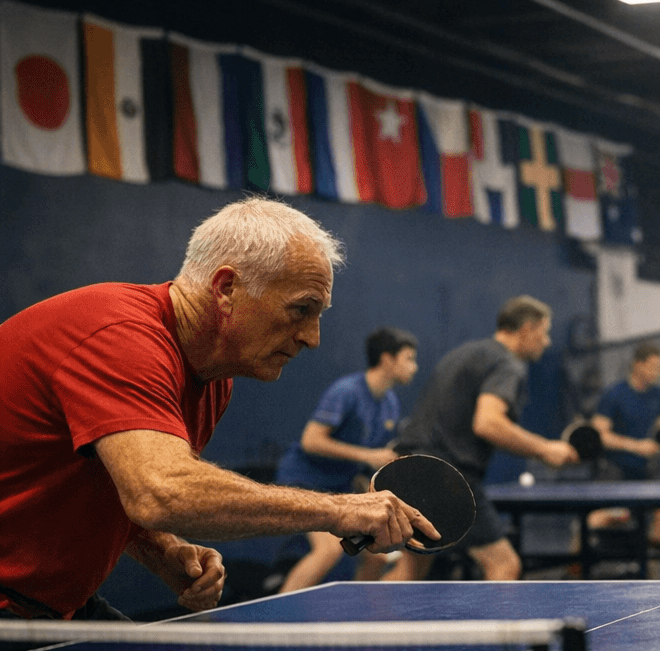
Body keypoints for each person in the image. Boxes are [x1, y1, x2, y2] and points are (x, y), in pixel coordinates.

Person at [0, 198, 438, 621]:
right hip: (13, 603)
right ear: (226, 288)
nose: (312, 337)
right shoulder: (120, 337)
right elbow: (163, 491)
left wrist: (165, 551)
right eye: (301, 309)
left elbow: (125, 484)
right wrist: (342, 510)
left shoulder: (212, 378)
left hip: (53, 603)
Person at [384, 295, 579, 582]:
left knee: (412, 569)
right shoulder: (506, 363)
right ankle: (496, 629)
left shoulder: (466, 352)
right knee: (504, 565)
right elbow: (488, 423)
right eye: (544, 332)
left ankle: (355, 625)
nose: (547, 341)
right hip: (445, 476)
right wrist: (545, 449)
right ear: (526, 329)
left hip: (409, 469)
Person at [274, 326, 420, 592]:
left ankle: (359, 620)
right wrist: (369, 455)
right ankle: (275, 628)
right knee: (329, 551)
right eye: (409, 358)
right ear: (387, 359)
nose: (415, 366)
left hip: (339, 489)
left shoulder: (390, 403)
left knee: (377, 556)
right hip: (304, 482)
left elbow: (365, 466)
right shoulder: (346, 391)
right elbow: (312, 440)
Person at [589, 342, 660, 544]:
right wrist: (636, 446)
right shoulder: (614, 394)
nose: (657, 372)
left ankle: (649, 570)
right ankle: (573, 569)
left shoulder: (659, 395)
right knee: (601, 518)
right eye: (653, 366)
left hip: (647, 469)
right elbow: (599, 435)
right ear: (638, 365)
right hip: (615, 469)